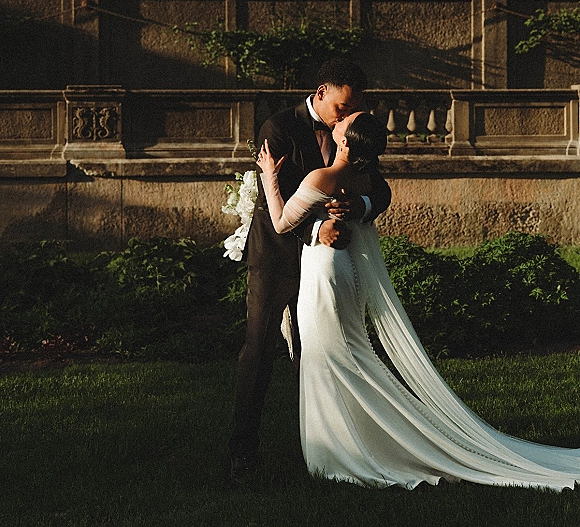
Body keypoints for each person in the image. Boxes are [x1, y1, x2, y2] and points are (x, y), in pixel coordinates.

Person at [257, 111, 580, 491]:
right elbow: (363, 200)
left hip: (325, 270)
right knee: (346, 353)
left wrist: (269, 179)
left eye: (345, 123)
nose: (339, 121)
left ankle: (349, 449)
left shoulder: (321, 177)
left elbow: (280, 223)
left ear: (345, 141)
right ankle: (356, 438)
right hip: (342, 268)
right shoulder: (359, 176)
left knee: (331, 354)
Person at [228, 59, 392, 482]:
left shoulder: (351, 133)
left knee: (322, 352)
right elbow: (280, 206)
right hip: (277, 257)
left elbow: (380, 186)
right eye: (342, 108)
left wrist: (362, 206)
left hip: (329, 268)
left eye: (355, 109)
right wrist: (320, 229)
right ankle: (243, 451)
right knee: (259, 351)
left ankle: (332, 446)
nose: (349, 117)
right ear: (321, 92)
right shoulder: (279, 127)